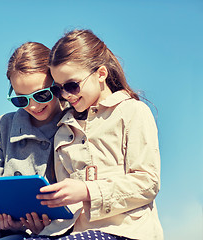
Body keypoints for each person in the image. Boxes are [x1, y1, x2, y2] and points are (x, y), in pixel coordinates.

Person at [24, 29, 163, 240]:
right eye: (59, 89)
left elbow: (148, 183)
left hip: (123, 231)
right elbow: (68, 203)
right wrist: (41, 223)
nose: (66, 95)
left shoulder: (133, 111)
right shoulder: (63, 128)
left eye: (72, 85)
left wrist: (87, 190)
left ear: (101, 74)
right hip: (70, 233)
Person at [0, 42, 67, 240]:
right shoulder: (3, 125)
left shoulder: (72, 126)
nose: (34, 106)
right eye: (22, 99)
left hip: (41, 233)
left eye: (42, 94)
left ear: (57, 84)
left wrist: (40, 225)